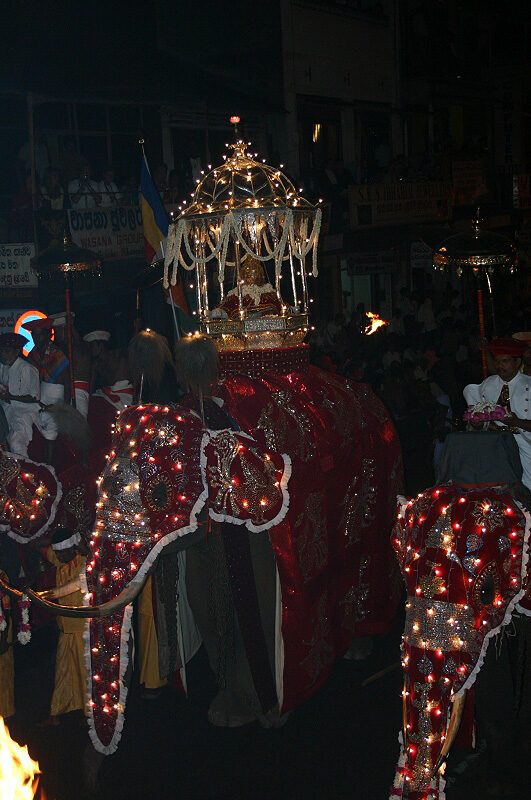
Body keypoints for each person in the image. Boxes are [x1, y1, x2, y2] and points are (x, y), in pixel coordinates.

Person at [463, 338, 531, 490]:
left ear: (517, 362)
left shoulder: (529, 385)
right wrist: (478, 423)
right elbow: (482, 420)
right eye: (497, 361)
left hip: (525, 443)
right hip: (494, 445)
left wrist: (516, 422)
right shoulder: (488, 384)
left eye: (505, 361)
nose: (499, 366)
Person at [41, 527, 87, 723]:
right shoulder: (61, 557)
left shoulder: (85, 563)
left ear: (72, 549)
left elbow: (77, 584)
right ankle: (56, 714)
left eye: (60, 553)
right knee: (62, 673)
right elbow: (38, 546)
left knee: (85, 676)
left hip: (82, 631)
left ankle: (91, 717)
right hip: (66, 630)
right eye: (56, 553)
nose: (57, 557)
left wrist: (46, 595)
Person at [0, 332, 40, 457]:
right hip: (7, 410)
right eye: (1, 351)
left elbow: (34, 398)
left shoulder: (26, 369)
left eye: (7, 351)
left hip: (24, 411)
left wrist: (9, 397)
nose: (3, 354)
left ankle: (23, 472)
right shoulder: (4, 367)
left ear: (17, 352)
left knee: (16, 442)